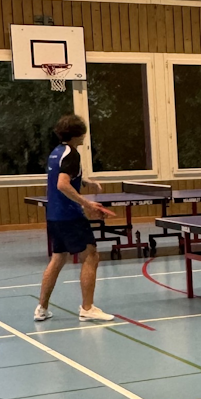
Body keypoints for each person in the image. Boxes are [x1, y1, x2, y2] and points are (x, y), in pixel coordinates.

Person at [33, 114, 118, 323]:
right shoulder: (72, 154)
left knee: (58, 258)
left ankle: (42, 308)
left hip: (53, 215)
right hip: (69, 215)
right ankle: (87, 308)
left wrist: (85, 182)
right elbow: (62, 184)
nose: (84, 137)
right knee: (91, 256)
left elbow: (64, 176)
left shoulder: (56, 152)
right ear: (77, 134)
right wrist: (87, 203)